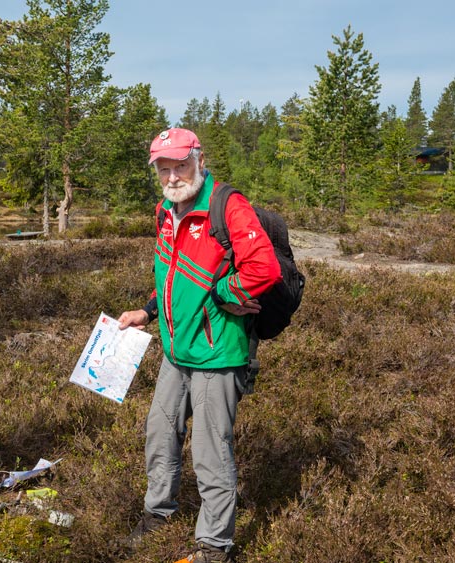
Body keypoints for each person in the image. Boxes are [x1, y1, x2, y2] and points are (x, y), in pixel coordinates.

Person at [118, 128, 281, 563]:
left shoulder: (228, 206)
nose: (173, 177)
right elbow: (174, 277)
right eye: (164, 169)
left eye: (180, 166)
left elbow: (264, 269)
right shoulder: (166, 212)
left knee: (210, 452)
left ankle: (215, 545)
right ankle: (159, 514)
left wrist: (225, 296)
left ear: (199, 161)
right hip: (176, 351)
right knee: (160, 433)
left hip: (217, 353)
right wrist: (148, 313)